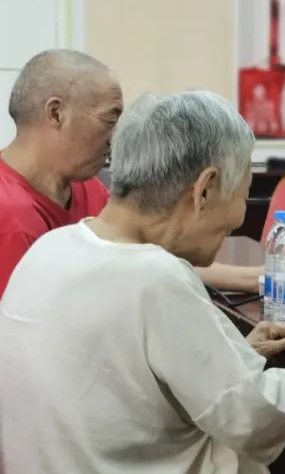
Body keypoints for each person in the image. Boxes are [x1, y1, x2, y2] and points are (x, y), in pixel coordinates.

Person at [0, 91, 285, 474]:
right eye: (242, 195)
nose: (240, 216)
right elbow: (251, 413)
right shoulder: (156, 276)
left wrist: (235, 353)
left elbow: (119, 379)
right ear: (205, 188)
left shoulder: (52, 247)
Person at [0, 49, 261, 297]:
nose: (116, 137)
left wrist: (254, 279)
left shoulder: (85, 187)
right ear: (57, 114)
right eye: (109, 120)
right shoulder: (11, 216)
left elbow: (144, 253)